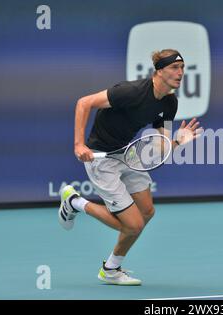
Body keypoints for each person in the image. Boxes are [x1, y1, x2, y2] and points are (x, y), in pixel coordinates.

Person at [58, 49, 202, 285]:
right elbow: (84, 103)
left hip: (127, 153)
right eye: (175, 68)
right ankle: (75, 202)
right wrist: (78, 144)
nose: (181, 73)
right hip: (101, 157)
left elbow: (160, 149)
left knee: (147, 212)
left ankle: (111, 269)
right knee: (132, 225)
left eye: (183, 67)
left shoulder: (169, 103)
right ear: (159, 71)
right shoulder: (131, 92)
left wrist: (178, 141)